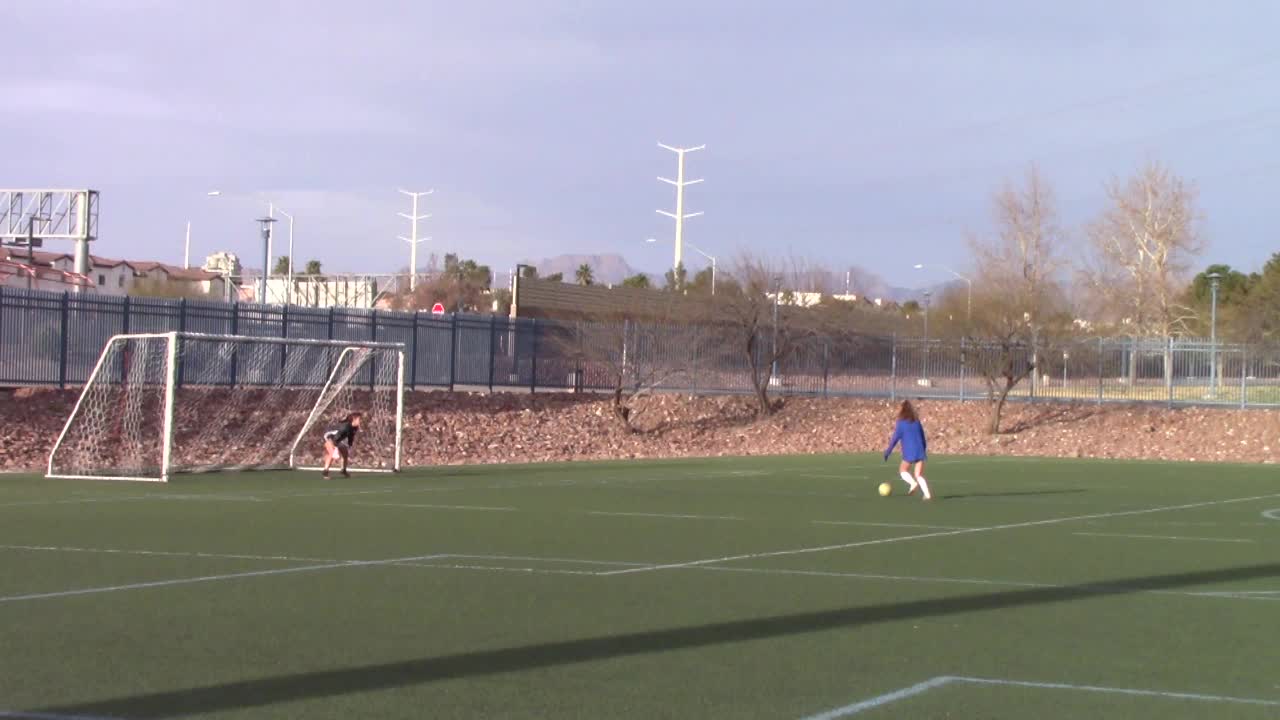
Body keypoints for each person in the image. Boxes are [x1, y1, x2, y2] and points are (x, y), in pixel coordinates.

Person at [883, 400, 932, 500]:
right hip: (920, 450)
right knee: (918, 474)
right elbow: (923, 437)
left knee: (902, 470)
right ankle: (927, 494)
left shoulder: (901, 424)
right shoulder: (917, 422)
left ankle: (913, 483)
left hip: (909, 452)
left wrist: (888, 451)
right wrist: (923, 449)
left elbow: (895, 439)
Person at [322, 412, 362, 479]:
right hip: (328, 436)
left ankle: (343, 470)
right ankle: (325, 472)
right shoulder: (344, 427)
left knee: (345, 453)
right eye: (359, 419)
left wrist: (349, 445)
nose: (361, 421)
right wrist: (333, 447)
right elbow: (333, 438)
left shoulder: (354, 427)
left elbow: (350, 437)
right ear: (354, 419)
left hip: (336, 438)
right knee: (334, 454)